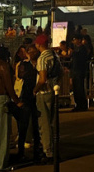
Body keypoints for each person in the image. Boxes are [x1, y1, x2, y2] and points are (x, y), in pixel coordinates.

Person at [33, 34, 57, 164]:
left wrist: (35, 90)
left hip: (43, 92)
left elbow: (42, 79)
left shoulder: (42, 58)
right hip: (52, 91)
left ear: (38, 45)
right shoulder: (53, 55)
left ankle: (48, 151)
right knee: (51, 122)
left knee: (44, 123)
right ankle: (52, 147)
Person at [70, 34, 90, 111]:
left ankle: (81, 105)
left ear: (79, 40)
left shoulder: (82, 49)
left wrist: (74, 53)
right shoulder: (78, 48)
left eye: (75, 39)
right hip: (76, 71)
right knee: (77, 89)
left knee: (79, 89)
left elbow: (80, 60)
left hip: (79, 71)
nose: (73, 41)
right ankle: (79, 105)